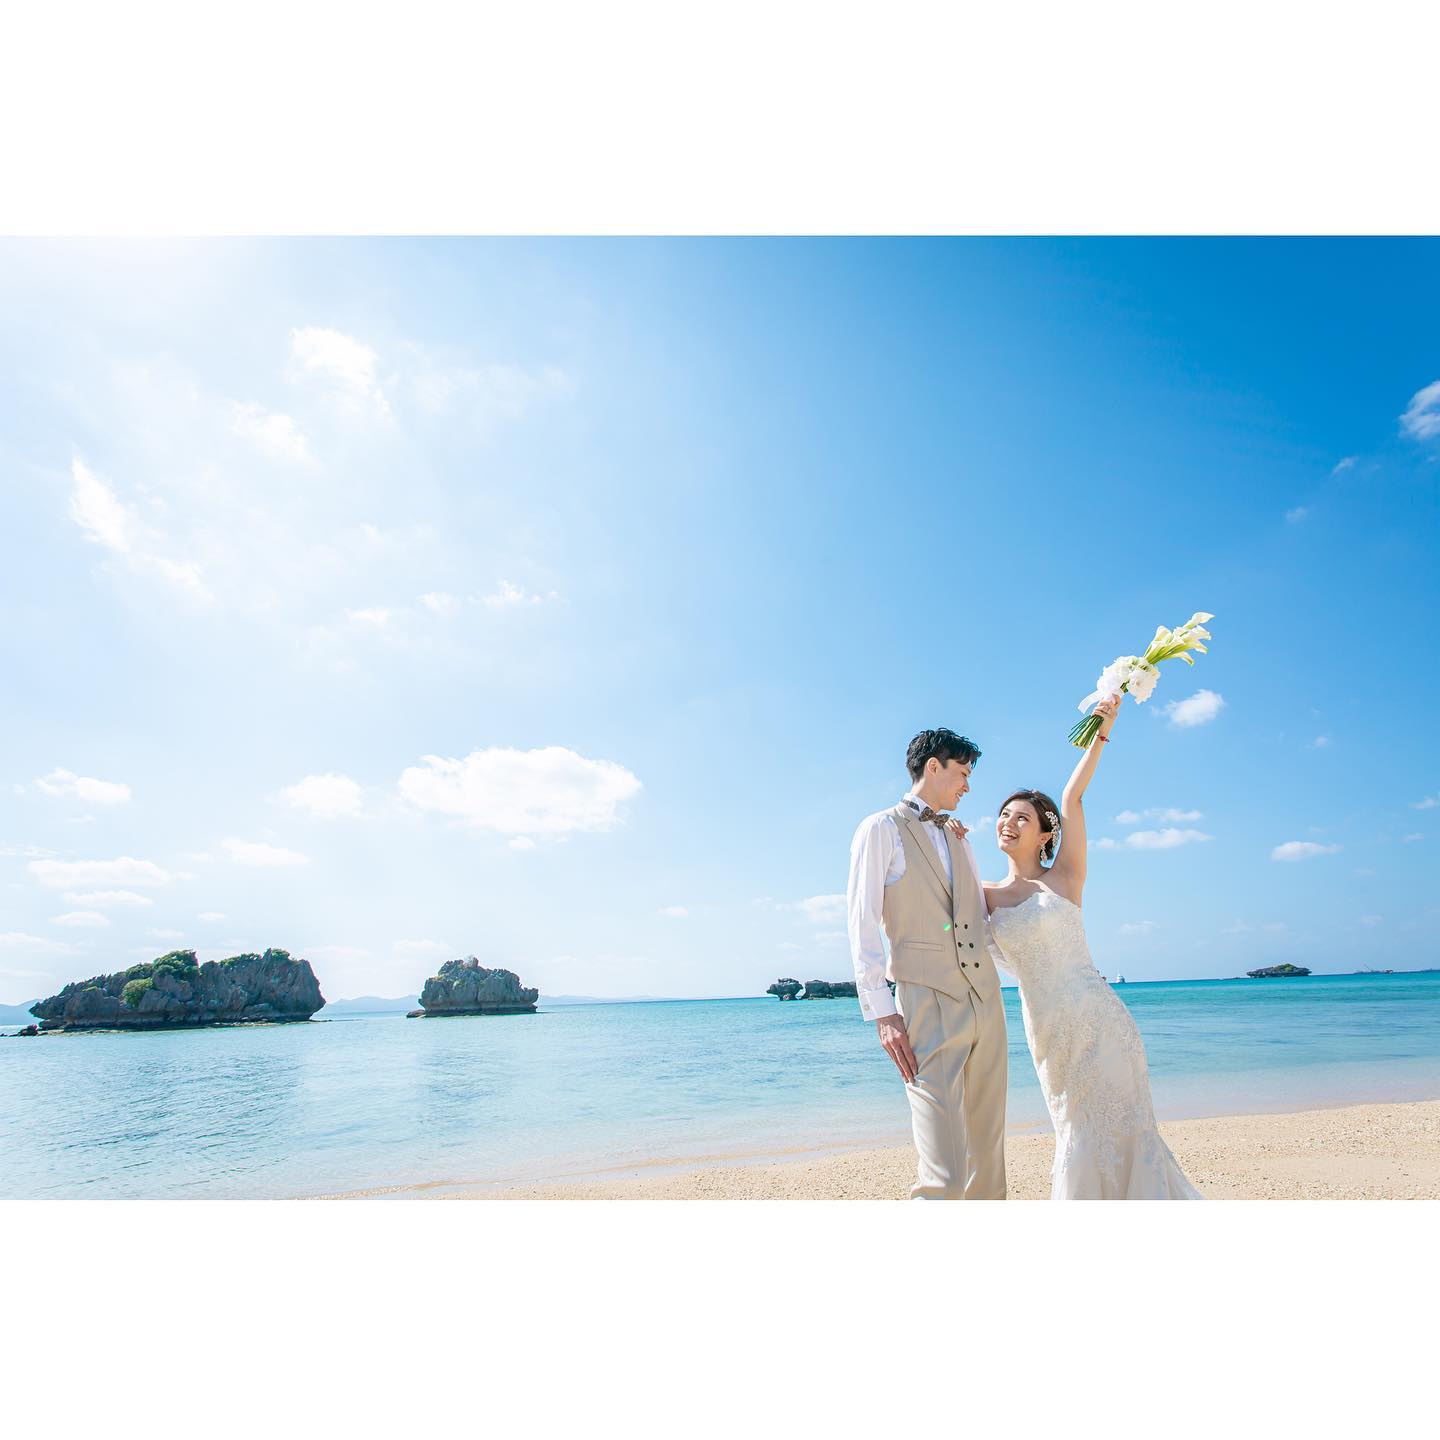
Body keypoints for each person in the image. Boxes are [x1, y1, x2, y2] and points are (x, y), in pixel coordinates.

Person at [978, 695, 1201, 1200]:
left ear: (1045, 834)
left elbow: (1072, 796)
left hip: (1101, 1020)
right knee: (1076, 1126)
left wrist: (1102, 727)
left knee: (1127, 1130)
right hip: (1050, 1030)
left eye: (1022, 818)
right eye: (1004, 815)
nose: (1008, 823)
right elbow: (943, 905)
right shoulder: (984, 895)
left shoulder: (1065, 877)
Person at [847, 728, 1007, 1200]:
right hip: (925, 1001)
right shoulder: (880, 828)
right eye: (963, 773)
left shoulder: (960, 836)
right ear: (933, 766)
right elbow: (861, 922)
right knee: (945, 1177)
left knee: (988, 1167)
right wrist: (883, 1013)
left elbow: (978, 923)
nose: (968, 786)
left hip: (986, 1001)